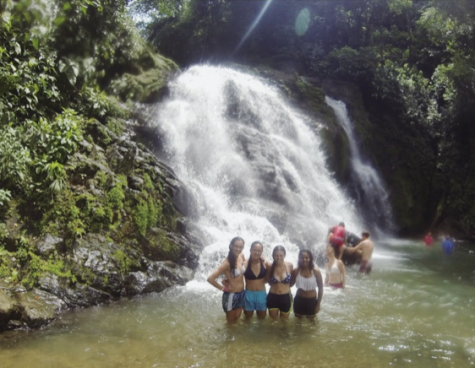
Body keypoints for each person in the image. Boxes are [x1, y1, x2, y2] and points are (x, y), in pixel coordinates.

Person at [207, 237, 246, 323]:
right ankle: (229, 336)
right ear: (231, 246)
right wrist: (223, 288)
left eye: (240, 247)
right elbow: (210, 279)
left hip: (242, 293)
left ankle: (236, 336)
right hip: (231, 295)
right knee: (231, 322)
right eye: (236, 246)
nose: (238, 249)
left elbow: (246, 265)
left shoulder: (241, 255)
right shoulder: (227, 263)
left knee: (237, 319)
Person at [290, 249, 323, 319]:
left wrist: (318, 304)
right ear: (299, 259)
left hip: (312, 301)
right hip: (299, 300)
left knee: (312, 324)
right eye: (302, 258)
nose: (304, 260)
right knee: (298, 324)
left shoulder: (316, 271)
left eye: (307, 258)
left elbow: (321, 288)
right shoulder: (296, 271)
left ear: (310, 259)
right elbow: (290, 285)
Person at [243, 241, 270, 319]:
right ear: (250, 250)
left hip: (261, 294)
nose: (256, 252)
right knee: (247, 319)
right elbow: (236, 274)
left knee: (262, 319)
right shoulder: (245, 264)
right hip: (249, 294)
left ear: (262, 252)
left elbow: (270, 274)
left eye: (259, 251)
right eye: (254, 250)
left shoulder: (265, 264)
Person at [267, 245, 294, 319]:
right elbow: (267, 280)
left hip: (286, 297)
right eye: (276, 255)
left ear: (284, 255)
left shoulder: (290, 265)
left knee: (284, 323)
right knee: (273, 321)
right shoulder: (269, 266)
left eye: (281, 255)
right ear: (273, 255)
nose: (279, 257)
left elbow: (292, 280)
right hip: (273, 297)